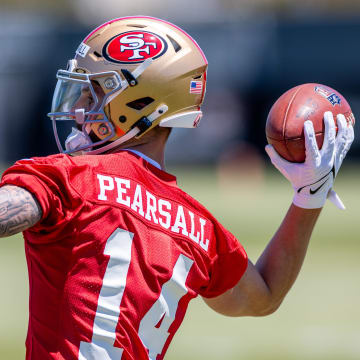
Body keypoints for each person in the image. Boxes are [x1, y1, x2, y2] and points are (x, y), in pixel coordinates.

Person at [0, 16, 354, 360]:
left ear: (138, 105)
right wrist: (310, 195)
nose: (78, 109)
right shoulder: (198, 226)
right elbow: (262, 296)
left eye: (91, 95)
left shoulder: (70, 179)